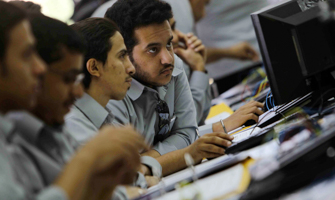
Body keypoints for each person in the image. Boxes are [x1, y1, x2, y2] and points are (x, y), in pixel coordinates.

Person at [0, 0, 147, 199]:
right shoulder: (4, 137)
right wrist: (89, 157)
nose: (40, 68)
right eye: (27, 55)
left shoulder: (9, 130)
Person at [104, 0, 264, 176]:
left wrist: (152, 158)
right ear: (124, 53)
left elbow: (187, 131)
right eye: (153, 50)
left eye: (168, 44)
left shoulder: (173, 65)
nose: (168, 58)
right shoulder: (110, 98)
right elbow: (129, 173)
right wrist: (187, 151)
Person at [65, 17, 162, 191]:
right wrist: (143, 180)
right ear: (94, 67)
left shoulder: (103, 114)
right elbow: (120, 183)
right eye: (122, 56)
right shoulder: (74, 125)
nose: (131, 68)